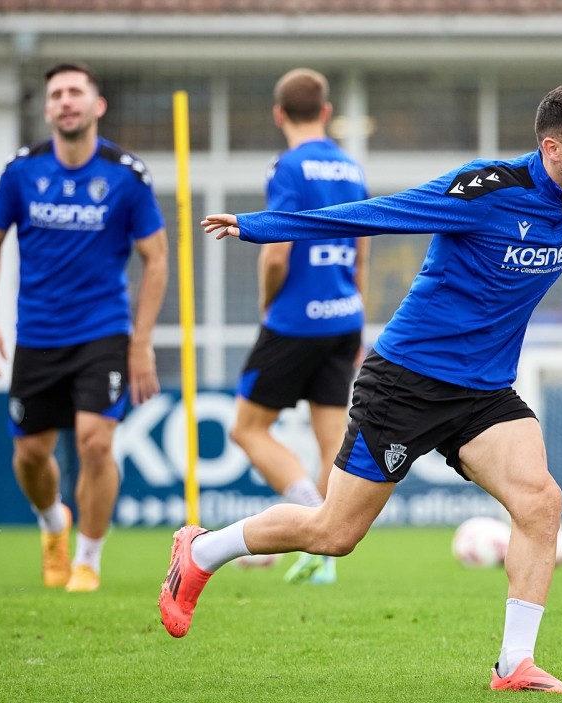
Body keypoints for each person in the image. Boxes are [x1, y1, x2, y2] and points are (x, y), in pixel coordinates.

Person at [159, 83, 562, 694]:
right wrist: (257, 227)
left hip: (483, 394)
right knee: (334, 533)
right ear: (551, 147)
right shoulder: (485, 190)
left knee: (541, 502)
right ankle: (201, 552)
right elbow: (378, 213)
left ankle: (515, 665)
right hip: (406, 382)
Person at [0, 62, 168, 592]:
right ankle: (53, 524)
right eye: (56, 94)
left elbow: (156, 257)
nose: (66, 101)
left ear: (96, 105)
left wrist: (141, 343)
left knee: (95, 444)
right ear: (47, 108)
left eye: (75, 92)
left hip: (102, 332)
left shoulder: (126, 176)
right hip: (35, 336)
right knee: (31, 455)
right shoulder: (22, 172)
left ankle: (88, 558)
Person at [229, 69, 370, 585]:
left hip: (295, 319)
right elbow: (364, 245)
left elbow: (276, 254)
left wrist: (268, 306)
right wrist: (355, 305)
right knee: (332, 438)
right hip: (343, 316)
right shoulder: (352, 167)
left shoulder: (288, 165)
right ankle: (322, 558)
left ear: (279, 115)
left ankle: (310, 515)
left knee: (246, 428)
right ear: (327, 113)